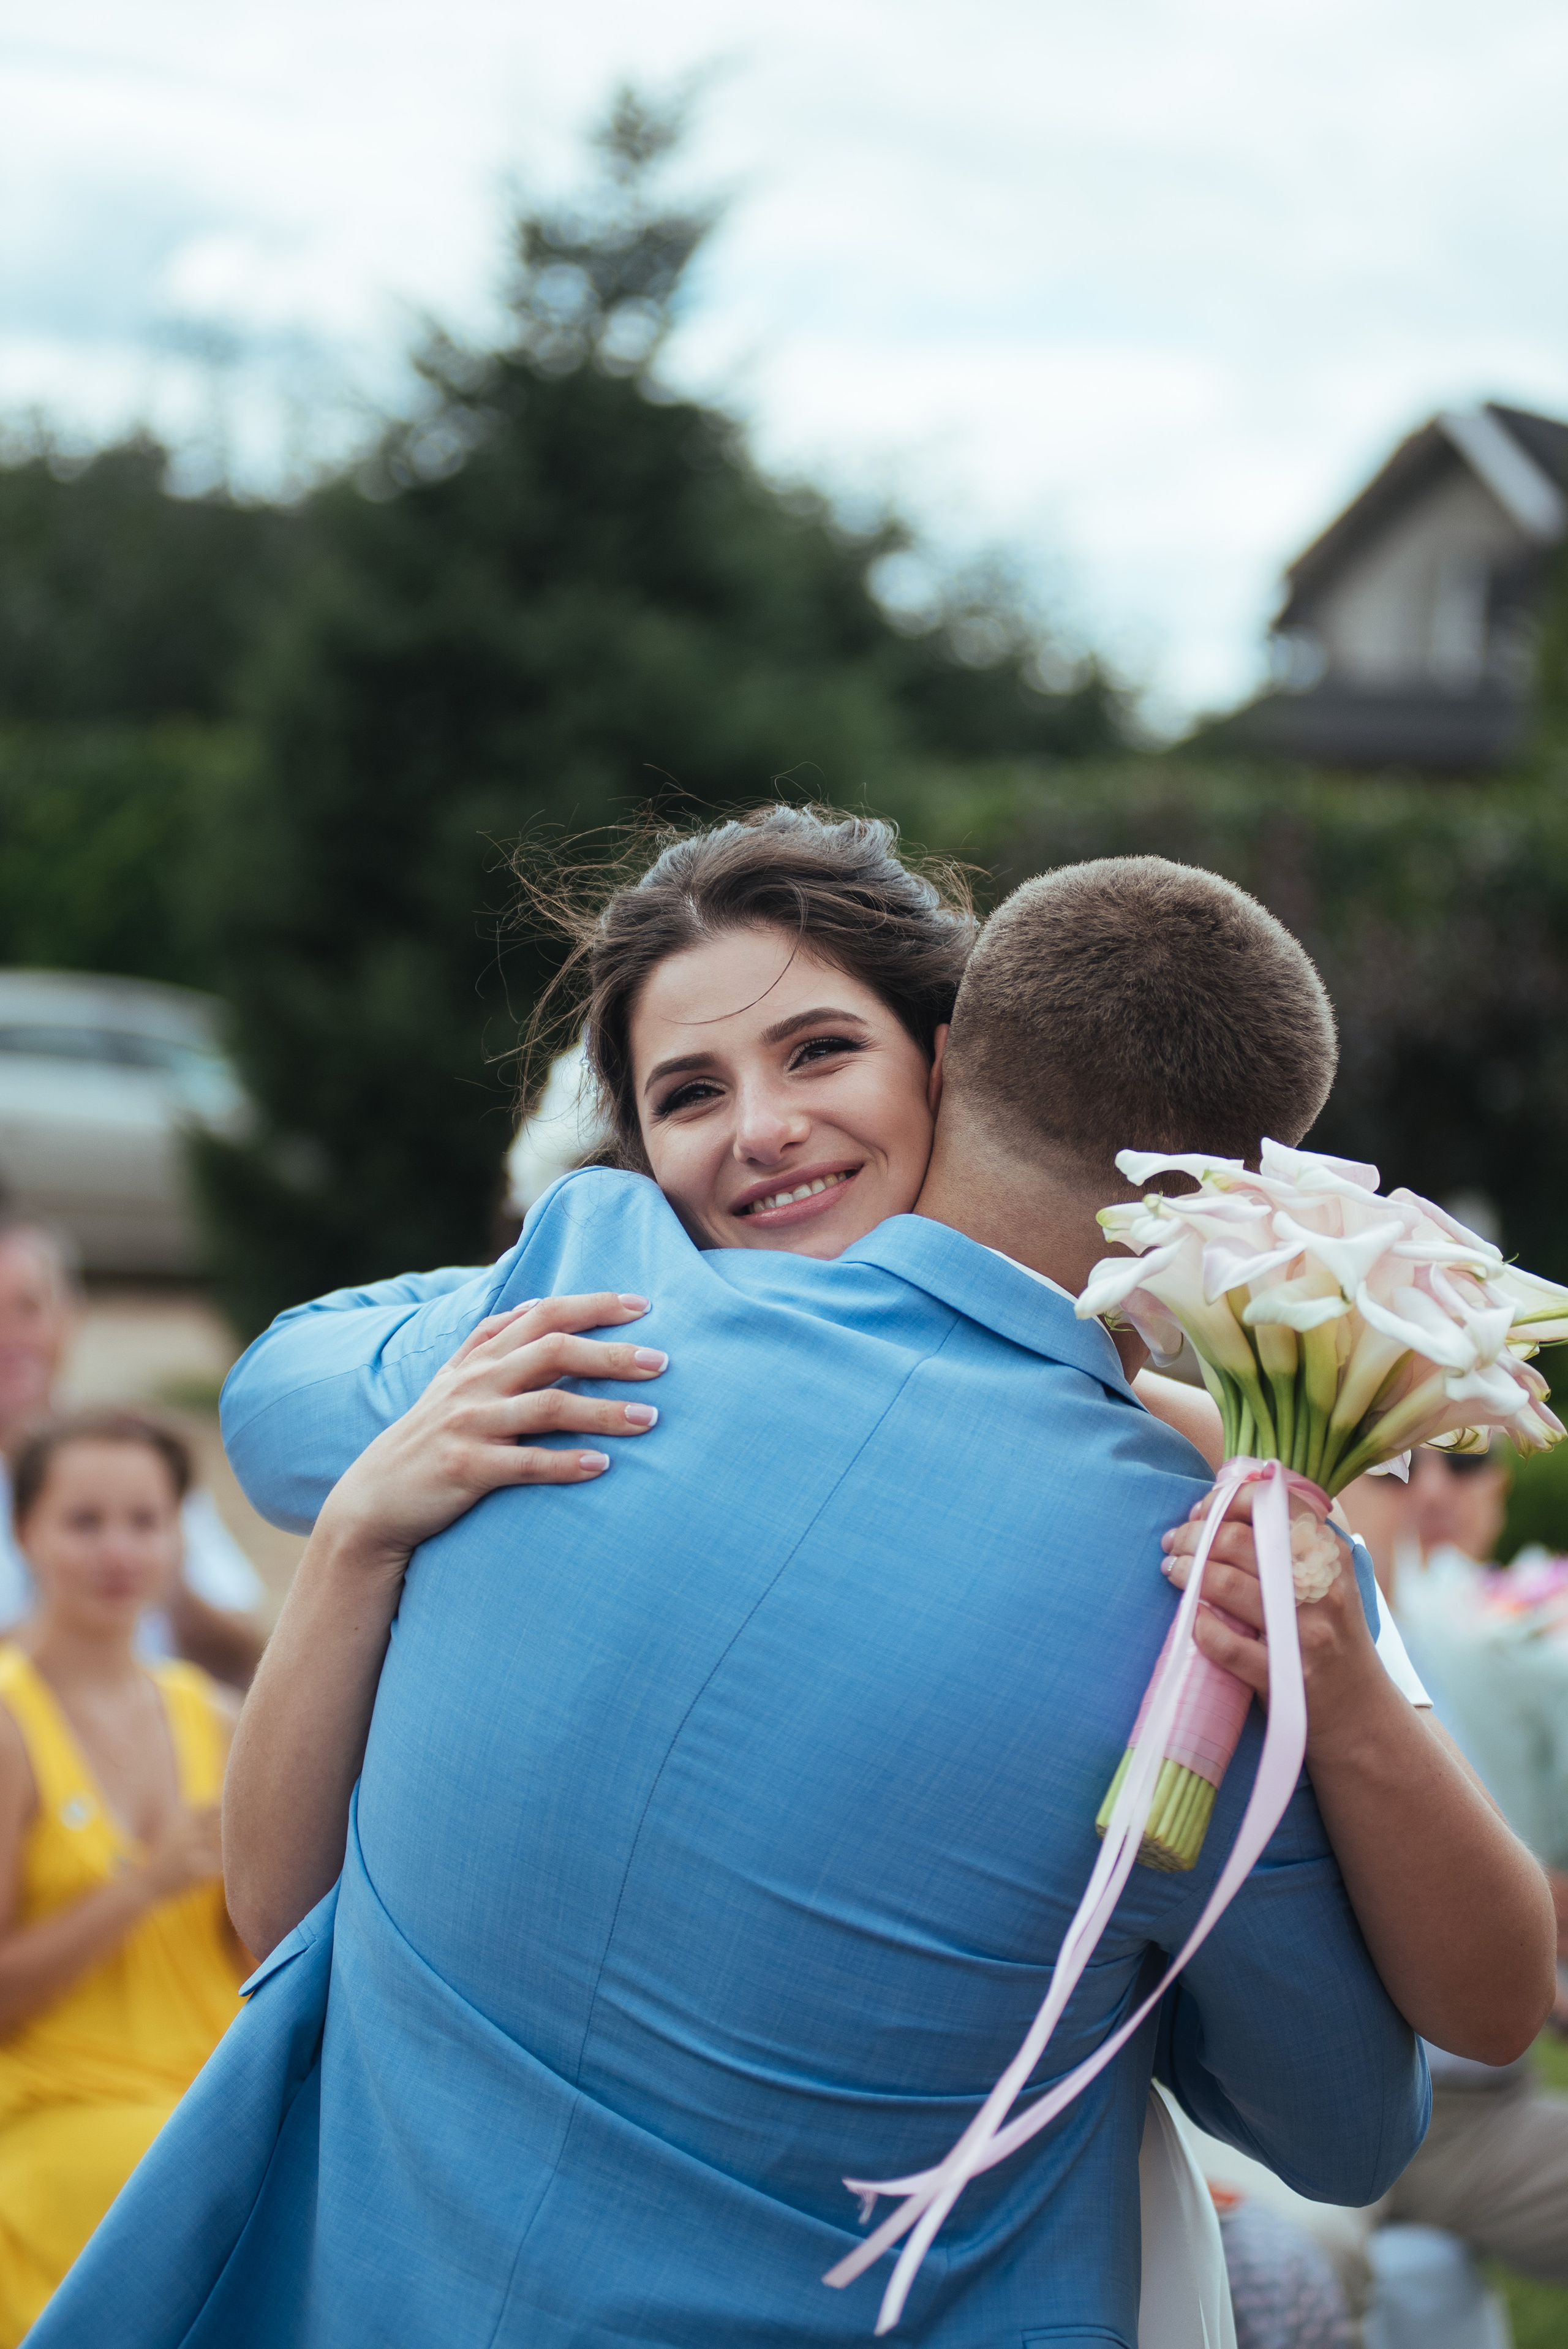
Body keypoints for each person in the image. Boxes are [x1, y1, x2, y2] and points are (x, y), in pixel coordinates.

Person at [36, 827, 1551, 2347]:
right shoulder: (1174, 1576)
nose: (763, 1130)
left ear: (946, 1060)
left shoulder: (589, 1292)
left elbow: (283, 1399)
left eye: (818, 1051)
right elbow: (1354, 2116)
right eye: (688, 1092)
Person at [0, 1409, 247, 2344]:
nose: (118, 1550)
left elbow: (261, 1951)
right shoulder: (9, 1722)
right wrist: (141, 1886)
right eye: (85, 1520)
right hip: (66, 2126)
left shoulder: (216, 1719)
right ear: (26, 1532)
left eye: (145, 1520)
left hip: (211, 2118)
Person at [1340, 1446, 1568, 2301]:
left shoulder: (1495, 1647)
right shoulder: (1321, 1657)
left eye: (1464, 1460)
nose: (1430, 1489)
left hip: (1489, 2089)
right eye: (1396, 1463)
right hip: (1406, 2108)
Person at [0, 1219, 265, 1687]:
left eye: (28, 1308)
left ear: (69, 1316)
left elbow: (252, 1658)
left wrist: (167, 1577)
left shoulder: (131, 1459)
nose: (8, 1336)